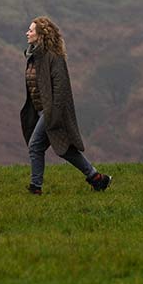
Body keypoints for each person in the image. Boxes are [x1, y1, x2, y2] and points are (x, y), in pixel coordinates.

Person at [20, 16, 112, 194]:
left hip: (52, 111)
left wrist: (52, 115)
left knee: (35, 146)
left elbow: (60, 90)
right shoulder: (34, 56)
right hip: (40, 111)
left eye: (31, 30)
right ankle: (97, 179)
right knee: (64, 149)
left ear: (40, 35)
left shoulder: (54, 58)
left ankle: (35, 187)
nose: (27, 33)